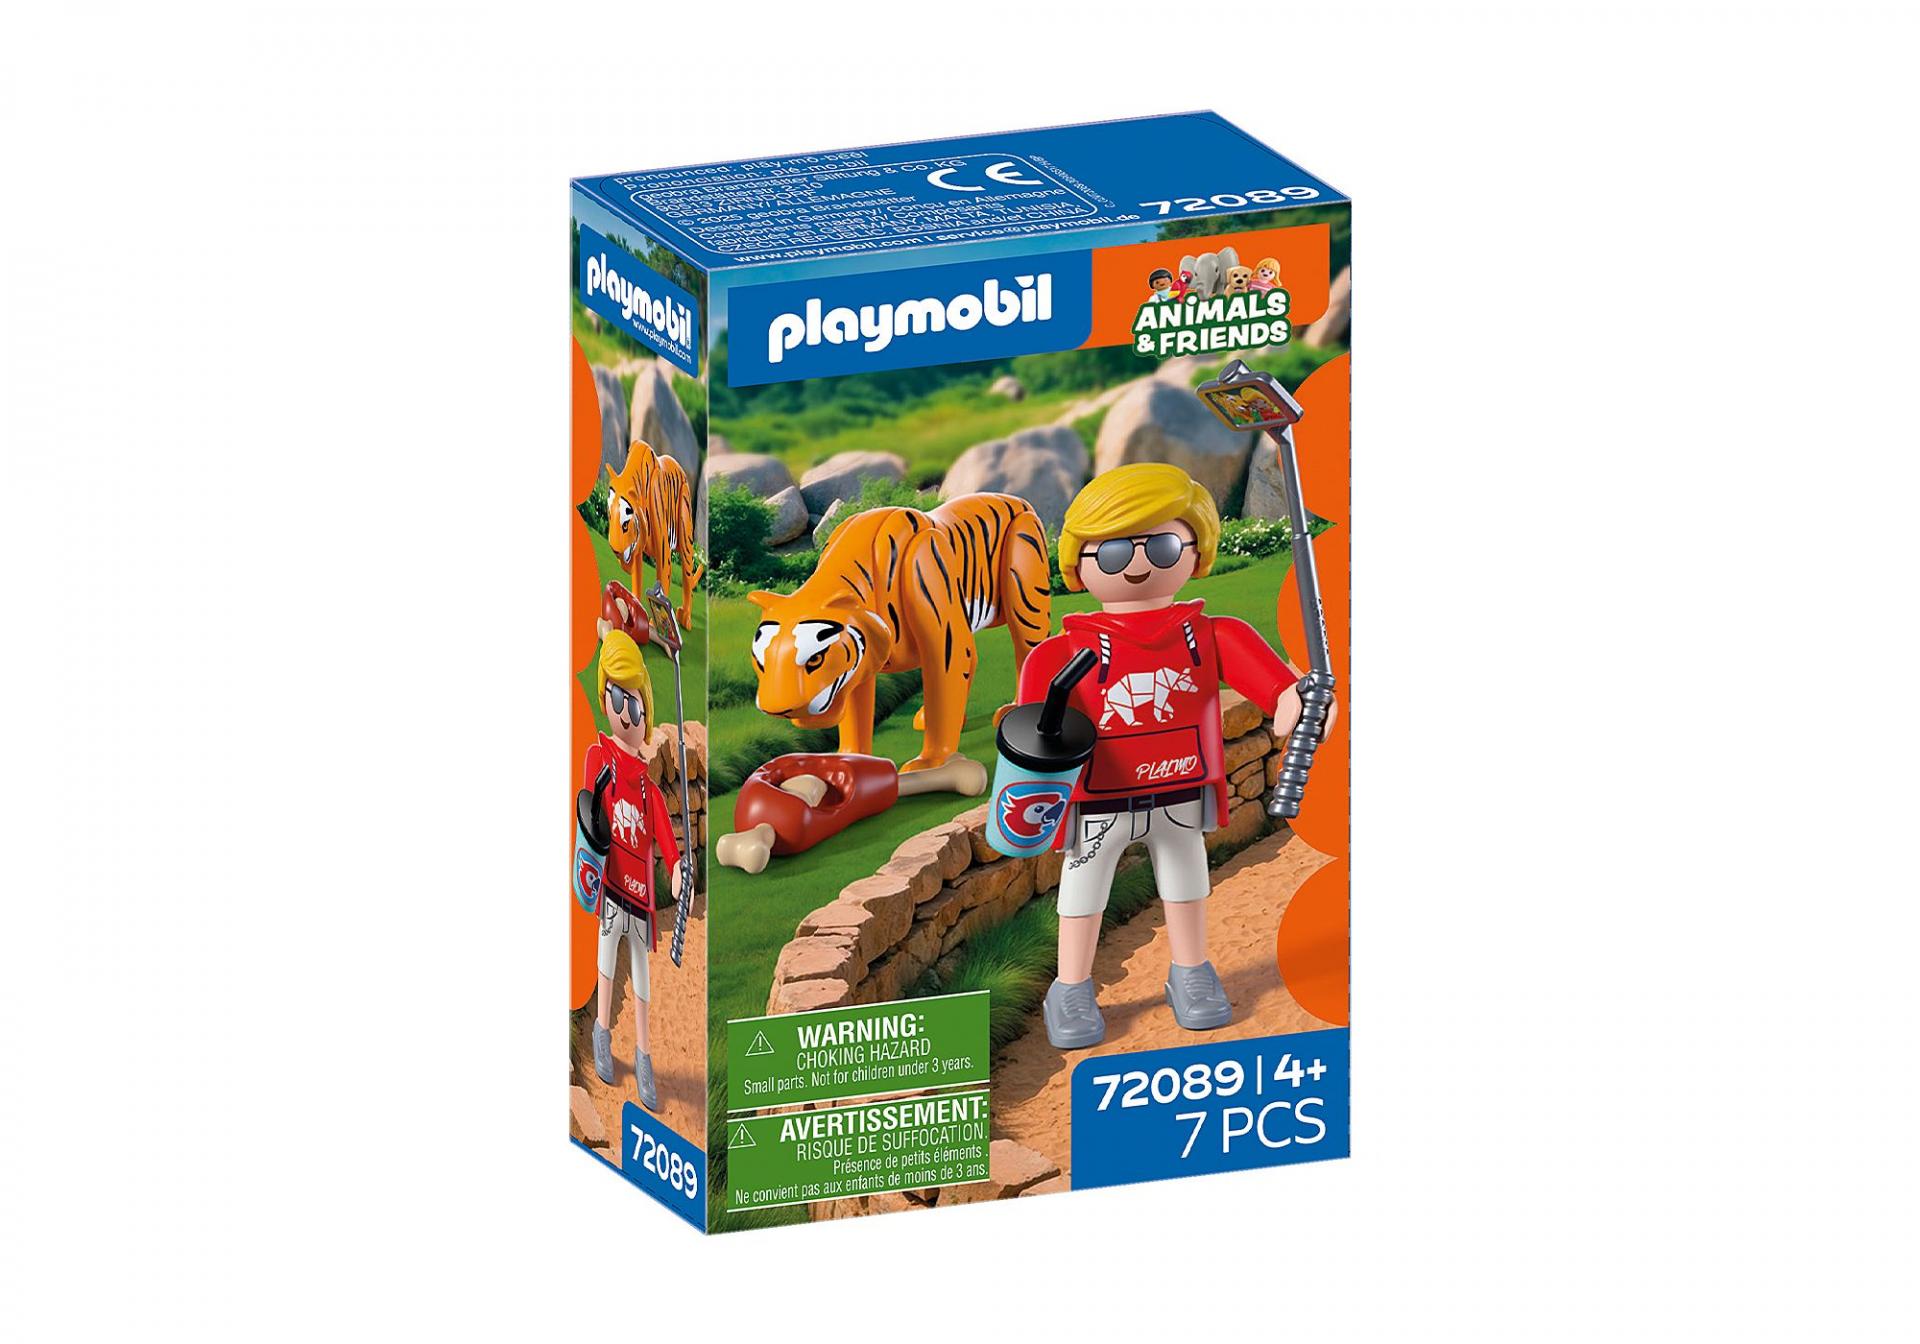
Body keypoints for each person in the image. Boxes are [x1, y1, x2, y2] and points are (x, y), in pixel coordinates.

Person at [1014, 463, 1324, 1049]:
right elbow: (1028, 737)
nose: (1136, 564)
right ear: (1080, 563)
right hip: (1098, 799)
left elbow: (1278, 691)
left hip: (1180, 789)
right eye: (1112, 552)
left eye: (1159, 546)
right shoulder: (1059, 655)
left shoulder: (1213, 635)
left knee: (1186, 879)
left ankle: (1191, 970)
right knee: (1083, 888)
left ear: (1195, 551)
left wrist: (1301, 705)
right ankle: (1071, 986)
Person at [580, 630, 682, 1109]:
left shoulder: (650, 790)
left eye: (634, 704)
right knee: (605, 963)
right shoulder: (599, 759)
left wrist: (679, 872)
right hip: (612, 889)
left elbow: (668, 844)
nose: (626, 713)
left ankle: (643, 1056)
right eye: (617, 699)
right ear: (605, 698)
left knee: (641, 979)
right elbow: (587, 811)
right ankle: (602, 1030)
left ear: (646, 713)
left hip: (640, 898)